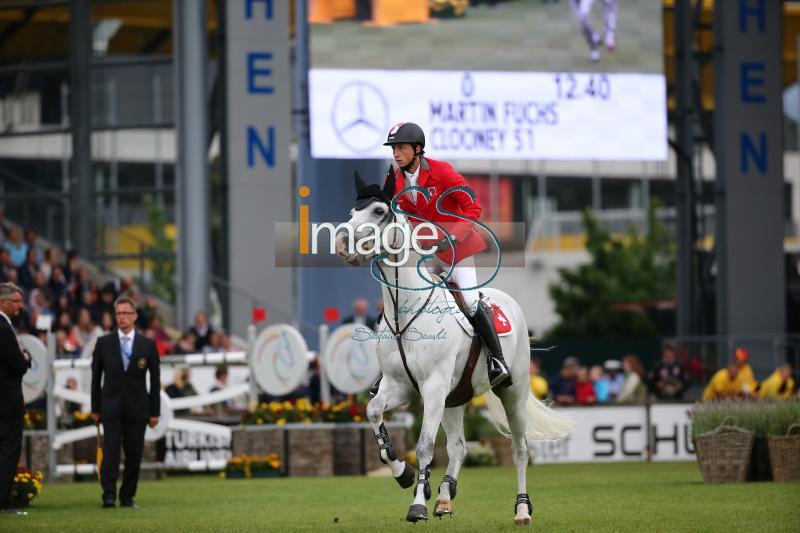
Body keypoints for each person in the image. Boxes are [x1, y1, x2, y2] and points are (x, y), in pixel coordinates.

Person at [382, 122, 510, 388]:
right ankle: (391, 369)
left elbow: (472, 207)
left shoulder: (442, 171)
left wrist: (452, 235)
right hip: (426, 253)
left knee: (472, 301)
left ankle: (497, 360)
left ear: (418, 150)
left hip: (457, 251)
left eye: (402, 148)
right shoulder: (395, 180)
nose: (396, 153)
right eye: (394, 148)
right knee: (404, 298)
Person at [91, 296, 160, 509]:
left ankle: (128, 496)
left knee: (134, 453)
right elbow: (95, 378)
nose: (122, 317)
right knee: (111, 452)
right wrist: (95, 408)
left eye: (126, 313)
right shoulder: (103, 343)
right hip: (110, 407)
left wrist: (154, 411)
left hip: (138, 408)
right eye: (119, 313)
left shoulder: (148, 345)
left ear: (135, 316)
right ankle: (109, 495)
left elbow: (155, 381)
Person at [0, 283, 31, 514]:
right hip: (7, 402)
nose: (21, 306)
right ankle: (3, 502)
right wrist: (26, 357)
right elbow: (18, 365)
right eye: (17, 301)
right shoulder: (3, 327)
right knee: (9, 451)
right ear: (3, 302)